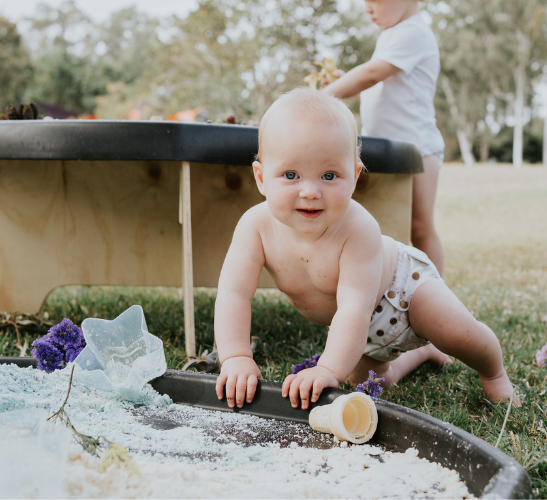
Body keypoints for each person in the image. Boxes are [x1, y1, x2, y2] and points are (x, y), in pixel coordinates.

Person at [214, 88, 517, 410]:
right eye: (290, 175)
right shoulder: (254, 227)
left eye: (330, 176)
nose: (310, 191)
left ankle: (494, 373)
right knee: (369, 379)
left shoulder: (359, 228)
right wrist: (235, 357)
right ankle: (421, 353)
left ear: (355, 177)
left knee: (459, 335)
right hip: (360, 327)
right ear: (261, 178)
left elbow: (353, 308)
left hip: (404, 289)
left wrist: (327, 368)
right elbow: (234, 294)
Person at [321, 0, 445, 274]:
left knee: (420, 228)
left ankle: (438, 298)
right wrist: (348, 87)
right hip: (387, 151)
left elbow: (372, 74)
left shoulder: (413, 32)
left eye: (374, 1)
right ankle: (389, 290)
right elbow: (381, 92)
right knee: (385, 225)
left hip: (417, 150)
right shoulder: (391, 35)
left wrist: (319, 98)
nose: (367, 9)